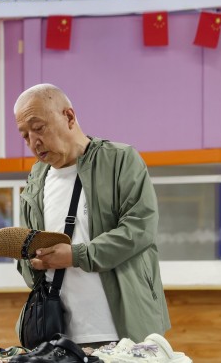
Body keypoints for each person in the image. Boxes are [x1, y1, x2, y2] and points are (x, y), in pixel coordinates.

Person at [13, 83, 170, 346]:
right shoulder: (35, 180)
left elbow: (139, 229)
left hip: (125, 332)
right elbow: (25, 249)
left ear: (69, 117)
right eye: (25, 135)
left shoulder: (120, 160)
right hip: (59, 338)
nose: (33, 142)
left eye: (38, 128)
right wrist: (33, 261)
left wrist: (75, 255)